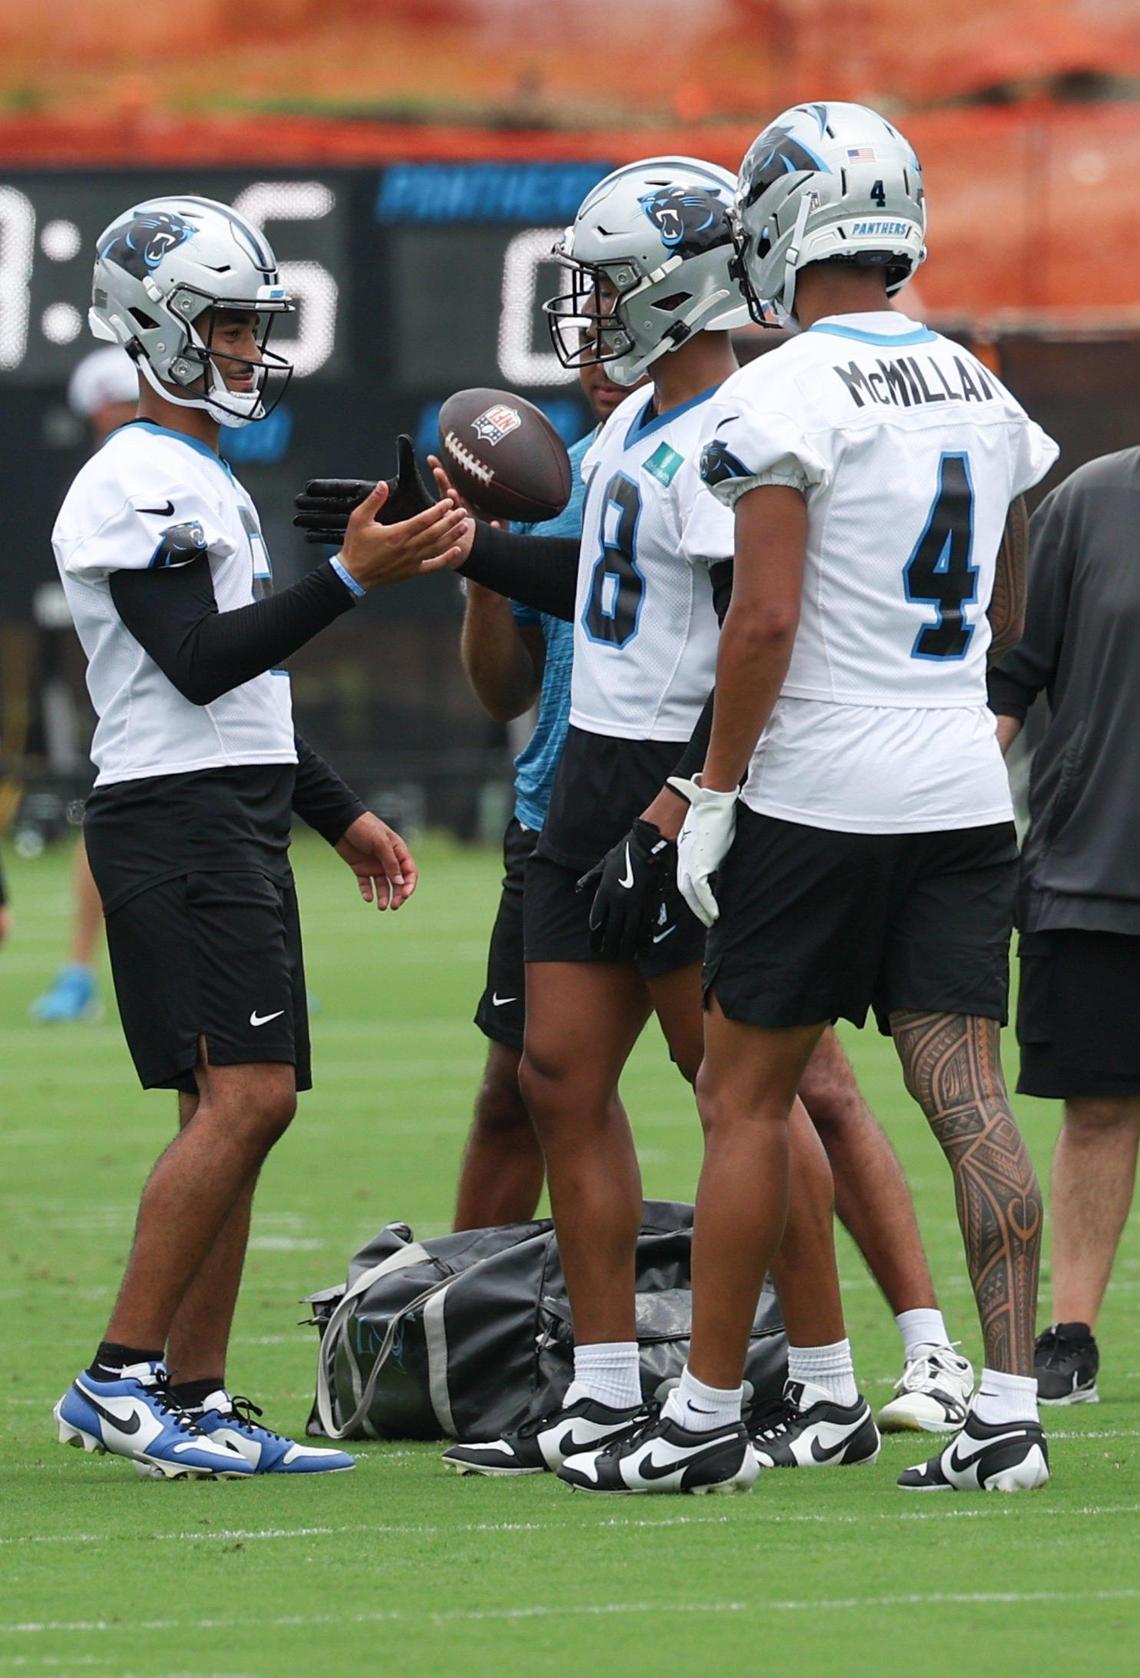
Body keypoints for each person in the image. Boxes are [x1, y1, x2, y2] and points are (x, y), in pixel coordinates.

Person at [573, 102, 1058, 1495]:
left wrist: (711, 791)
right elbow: (1006, 597)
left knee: (743, 1100)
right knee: (967, 1097)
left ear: (783, 223)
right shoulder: (980, 381)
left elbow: (765, 620)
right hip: (961, 782)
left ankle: (705, 1417)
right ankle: (1009, 1413)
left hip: (822, 789)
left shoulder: (777, 394)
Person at [50, 193, 469, 1480]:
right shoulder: (131, 478)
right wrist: (347, 578)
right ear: (154, 325)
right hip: (176, 821)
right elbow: (193, 663)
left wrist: (337, 813)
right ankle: (118, 1380)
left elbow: (248, 699)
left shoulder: (195, 474)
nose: (246, 346)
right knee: (249, 1097)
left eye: (250, 324)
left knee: (225, 1105)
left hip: (219, 807)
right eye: (225, 323)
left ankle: (194, 1394)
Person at [453, 349, 635, 1230]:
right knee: (521, 1089)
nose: (604, 356)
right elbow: (504, 691)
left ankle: (902, 1337)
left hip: (691, 810)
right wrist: (483, 561)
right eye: (592, 329)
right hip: (555, 819)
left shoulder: (730, 448)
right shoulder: (553, 481)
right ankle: (465, 1330)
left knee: (787, 1090)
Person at [988, 447, 1140, 1406]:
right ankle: (1071, 1335)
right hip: (1096, 871)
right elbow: (1008, 685)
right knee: (1097, 1109)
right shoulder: (1091, 499)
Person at [32, 346, 139, 1024]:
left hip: (212, 681)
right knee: (109, 819)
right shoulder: (105, 484)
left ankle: (264, 970)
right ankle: (79, 972)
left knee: (249, 813)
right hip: (148, 690)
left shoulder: (186, 461)